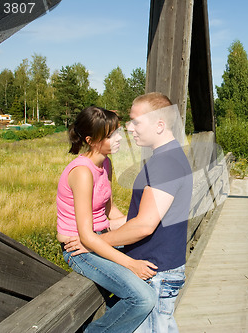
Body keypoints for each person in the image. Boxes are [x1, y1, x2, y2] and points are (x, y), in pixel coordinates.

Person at [67, 93, 193, 332]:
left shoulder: (165, 163)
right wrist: (95, 233)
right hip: (157, 269)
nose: (128, 128)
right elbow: (138, 218)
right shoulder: (168, 157)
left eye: (136, 121)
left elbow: (144, 226)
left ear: (159, 125)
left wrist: (93, 243)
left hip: (156, 271)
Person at [56, 106, 157, 333]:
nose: (120, 138)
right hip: (79, 251)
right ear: (91, 140)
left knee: (152, 266)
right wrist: (132, 264)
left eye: (118, 132)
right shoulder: (82, 172)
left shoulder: (105, 163)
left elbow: (111, 213)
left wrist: (140, 223)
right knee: (143, 298)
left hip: (101, 239)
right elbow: (86, 236)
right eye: (112, 135)